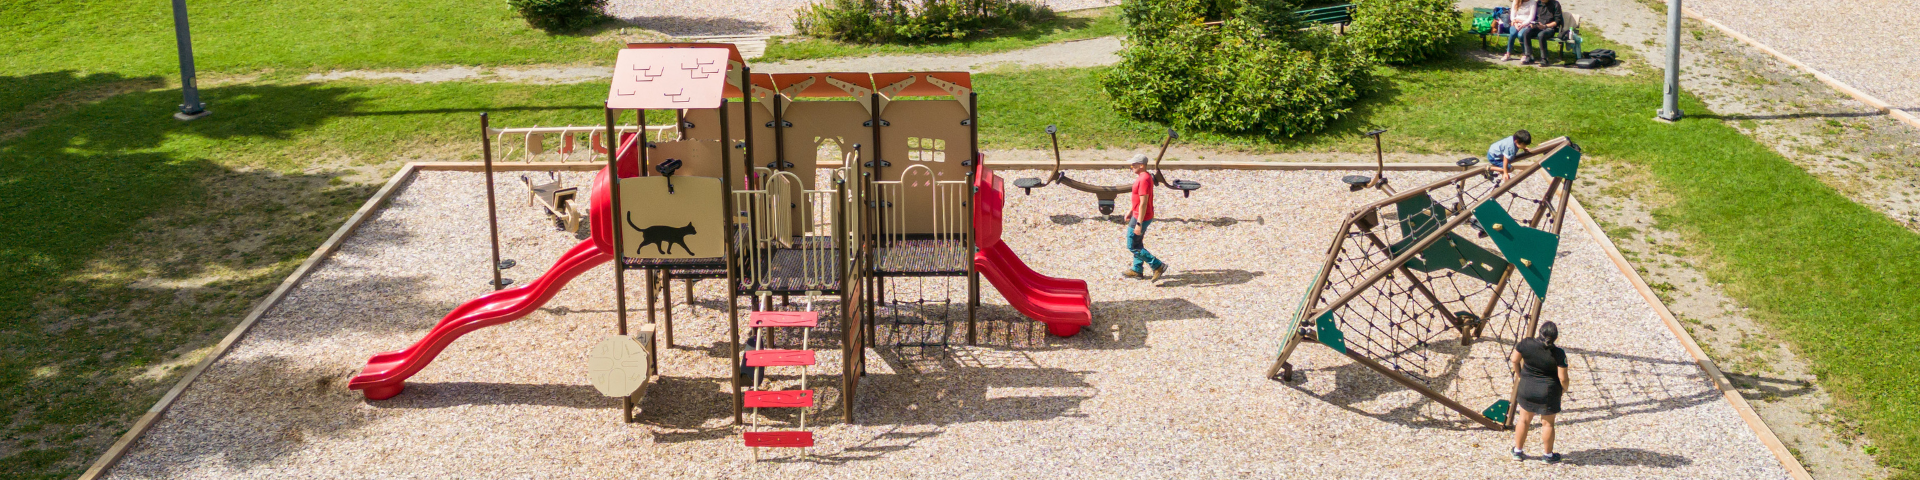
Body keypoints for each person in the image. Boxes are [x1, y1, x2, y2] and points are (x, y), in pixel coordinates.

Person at [1510, 321, 1570, 463]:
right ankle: (1547, 456)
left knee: (1523, 420)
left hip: (1526, 388)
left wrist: (1520, 376)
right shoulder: (1558, 353)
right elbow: (1563, 378)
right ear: (1555, 337)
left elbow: (1514, 360)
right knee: (1547, 424)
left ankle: (1518, 451)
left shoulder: (1525, 344)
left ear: (1540, 332)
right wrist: (1563, 390)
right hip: (1548, 392)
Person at [1121, 154, 1169, 281]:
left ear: (1142, 165)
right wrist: (1130, 210)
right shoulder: (1143, 177)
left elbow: (1143, 202)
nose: (1131, 167)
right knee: (1138, 242)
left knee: (1133, 245)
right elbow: (1137, 200)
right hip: (1137, 214)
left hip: (1140, 217)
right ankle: (1137, 269)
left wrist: (1139, 223)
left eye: (1134, 165)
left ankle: (1157, 265)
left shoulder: (1144, 180)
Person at [1523, 0, 1565, 66]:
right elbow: (1534, 17)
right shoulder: (1538, 3)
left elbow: (1557, 21)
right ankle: (1529, 56)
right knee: (1526, 32)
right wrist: (1533, 24)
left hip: (1549, 28)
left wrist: (1545, 26)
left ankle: (1544, 59)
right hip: (1538, 26)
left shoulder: (1555, 4)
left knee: (1541, 35)